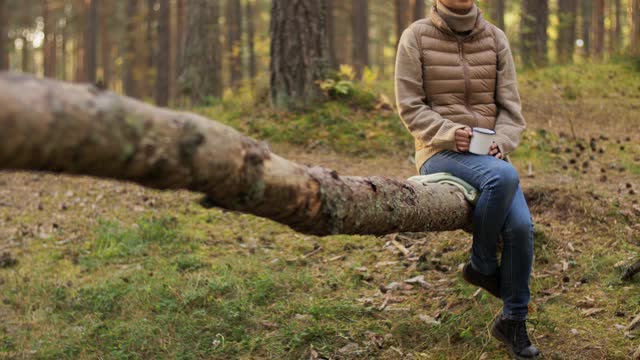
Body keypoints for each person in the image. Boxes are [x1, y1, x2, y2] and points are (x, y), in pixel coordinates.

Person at [394, 0, 540, 359]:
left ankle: (513, 322)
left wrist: (501, 142)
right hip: (439, 152)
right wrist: (447, 132)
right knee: (505, 176)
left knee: (522, 229)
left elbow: (510, 109)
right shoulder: (415, 36)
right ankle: (483, 263)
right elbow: (409, 105)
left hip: (489, 155)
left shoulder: (496, 38)